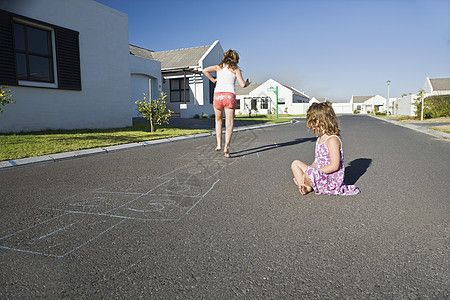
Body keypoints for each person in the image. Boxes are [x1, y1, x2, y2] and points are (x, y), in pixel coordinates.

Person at [291, 102, 360, 195]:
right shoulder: (320, 139)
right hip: (319, 174)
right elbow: (317, 160)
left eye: (313, 123)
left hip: (330, 180)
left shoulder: (332, 140)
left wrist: (310, 173)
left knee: (307, 174)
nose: (312, 127)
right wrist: (310, 170)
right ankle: (304, 183)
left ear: (320, 121)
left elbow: (334, 165)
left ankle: (307, 186)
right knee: (295, 164)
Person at [202, 49, 251, 158]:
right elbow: (242, 85)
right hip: (229, 95)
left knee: (218, 121)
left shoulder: (218, 67)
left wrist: (213, 80)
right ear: (235, 59)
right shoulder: (235, 69)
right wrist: (248, 82)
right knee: (229, 124)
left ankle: (219, 144)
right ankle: (226, 148)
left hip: (218, 95)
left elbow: (205, 70)